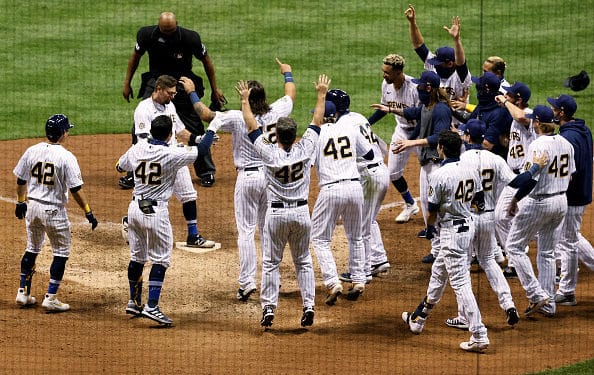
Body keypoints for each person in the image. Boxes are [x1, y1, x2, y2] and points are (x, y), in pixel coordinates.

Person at [189, 58, 296, 302]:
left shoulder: (238, 117)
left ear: (245, 97)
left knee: (246, 231)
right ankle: (272, 281)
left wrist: (192, 93)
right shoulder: (276, 112)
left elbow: (206, 114)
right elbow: (290, 94)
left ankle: (247, 283)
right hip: (272, 179)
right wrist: (287, 73)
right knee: (269, 229)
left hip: (248, 178)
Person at [237, 74, 329, 328]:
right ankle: (309, 306)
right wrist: (321, 94)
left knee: (270, 262)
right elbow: (317, 120)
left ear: (276, 135)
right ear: (295, 134)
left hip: (276, 216)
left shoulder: (268, 152)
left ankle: (268, 308)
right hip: (301, 215)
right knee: (303, 261)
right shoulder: (306, 148)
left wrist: (245, 100)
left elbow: (252, 127)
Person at [117, 115, 218, 325]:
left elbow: (120, 166)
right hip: (156, 212)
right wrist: (213, 127)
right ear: (170, 134)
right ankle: (152, 307)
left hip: (134, 209)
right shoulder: (172, 153)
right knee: (161, 260)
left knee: (137, 257)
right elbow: (201, 150)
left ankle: (134, 302)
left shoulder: (138, 147)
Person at [402, 130, 489, 354]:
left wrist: (430, 230)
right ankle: (419, 318)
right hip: (468, 227)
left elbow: (431, 211)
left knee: (461, 284)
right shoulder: (471, 169)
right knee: (439, 272)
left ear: (440, 148)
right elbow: (479, 201)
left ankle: (479, 334)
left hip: (451, 232)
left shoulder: (439, 175)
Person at [121, 11, 225, 188]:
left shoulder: (190, 37)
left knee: (194, 125)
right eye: (164, 31)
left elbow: (207, 61)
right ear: (158, 26)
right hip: (157, 82)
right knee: (139, 127)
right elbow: (135, 57)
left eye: (170, 31)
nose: (167, 35)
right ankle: (135, 171)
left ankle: (206, 171)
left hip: (183, 82)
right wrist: (127, 83)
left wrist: (215, 89)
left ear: (177, 24)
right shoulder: (146, 34)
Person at [14, 114, 98, 312]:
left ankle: (23, 293)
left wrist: (20, 202)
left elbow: (20, 180)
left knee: (32, 248)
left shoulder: (31, 150)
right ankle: (51, 297)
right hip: (53, 211)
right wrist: (88, 212)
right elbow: (76, 189)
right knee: (61, 253)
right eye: (67, 129)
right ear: (62, 133)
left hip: (32, 206)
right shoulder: (66, 157)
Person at [444, 119, 520, 330]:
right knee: (489, 261)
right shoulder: (496, 159)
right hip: (489, 218)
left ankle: (464, 316)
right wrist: (533, 175)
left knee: (463, 266)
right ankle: (509, 305)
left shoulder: (460, 159)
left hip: (467, 219)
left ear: (467, 137)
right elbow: (514, 183)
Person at [127, 75, 215, 248]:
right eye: (169, 93)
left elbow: (180, 130)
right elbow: (144, 139)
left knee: (189, 195)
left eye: (174, 93)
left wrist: (198, 139)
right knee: (147, 192)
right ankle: (131, 221)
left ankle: (193, 235)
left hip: (173, 157)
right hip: (156, 159)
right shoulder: (143, 109)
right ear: (158, 89)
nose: (172, 96)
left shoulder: (170, 106)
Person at [504, 105, 575, 318]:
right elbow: (570, 176)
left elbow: (526, 180)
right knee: (547, 253)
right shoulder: (566, 143)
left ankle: (536, 294)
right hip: (561, 201)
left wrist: (515, 199)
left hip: (539, 203)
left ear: (536, 123)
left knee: (514, 247)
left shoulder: (537, 145)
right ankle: (548, 304)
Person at [311, 88, 374, 305]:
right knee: (356, 236)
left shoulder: (316, 135)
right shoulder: (350, 127)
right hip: (355, 188)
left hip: (331, 190)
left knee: (319, 238)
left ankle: (332, 282)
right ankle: (358, 280)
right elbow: (370, 154)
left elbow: (306, 164)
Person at [392, 70, 452, 264]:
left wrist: (411, 143)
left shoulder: (441, 109)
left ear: (428, 87)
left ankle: (447, 249)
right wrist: (389, 109)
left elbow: (440, 136)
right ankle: (436, 249)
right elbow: (412, 112)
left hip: (438, 165)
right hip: (426, 164)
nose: (417, 89)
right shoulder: (427, 105)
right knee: (427, 204)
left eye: (420, 86)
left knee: (439, 207)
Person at [339, 88, 391, 284]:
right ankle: (378, 259)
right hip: (380, 171)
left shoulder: (342, 125)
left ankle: (363, 270)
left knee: (360, 225)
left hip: (368, 175)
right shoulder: (358, 117)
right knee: (369, 219)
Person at [550, 95, 593, 307]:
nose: (552, 111)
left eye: (554, 108)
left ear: (562, 113)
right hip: (582, 193)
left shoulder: (567, 139)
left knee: (567, 242)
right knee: (571, 237)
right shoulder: (583, 131)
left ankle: (567, 291)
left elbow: (570, 173)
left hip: (572, 196)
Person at [368, 54, 421, 224]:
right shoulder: (387, 84)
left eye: (387, 72)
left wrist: (410, 142)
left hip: (421, 133)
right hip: (402, 130)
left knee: (432, 171)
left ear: (399, 72)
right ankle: (410, 204)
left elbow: (424, 118)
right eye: (383, 71)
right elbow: (385, 108)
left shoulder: (414, 88)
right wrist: (366, 123)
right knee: (393, 173)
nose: (384, 75)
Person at [493, 82, 535, 278]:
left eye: (509, 96)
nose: (505, 97)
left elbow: (521, 116)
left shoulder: (530, 113)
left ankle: (562, 263)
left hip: (529, 177)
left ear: (518, 100)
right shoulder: (512, 115)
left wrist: (504, 103)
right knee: (501, 216)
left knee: (536, 224)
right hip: (513, 175)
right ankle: (515, 257)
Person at [405, 5, 472, 111]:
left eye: (439, 62)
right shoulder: (434, 65)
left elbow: (461, 63)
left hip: (457, 123)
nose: (435, 64)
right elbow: (418, 45)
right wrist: (412, 23)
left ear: (450, 63)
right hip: (435, 119)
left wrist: (456, 40)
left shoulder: (461, 76)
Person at [468, 72, 513, 159]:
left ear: (487, 89)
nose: (477, 87)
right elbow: (471, 118)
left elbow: (487, 145)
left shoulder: (500, 112)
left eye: (479, 85)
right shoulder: (486, 102)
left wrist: (463, 140)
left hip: (495, 161)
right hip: (481, 155)